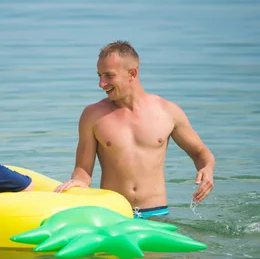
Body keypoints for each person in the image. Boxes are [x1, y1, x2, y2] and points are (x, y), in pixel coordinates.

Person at [54, 41, 215, 219]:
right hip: (115, 214)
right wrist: (78, 183)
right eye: (99, 75)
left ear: (132, 73)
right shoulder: (92, 115)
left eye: (108, 76)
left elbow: (200, 152)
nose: (101, 83)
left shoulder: (167, 111)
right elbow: (83, 169)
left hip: (157, 213)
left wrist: (207, 168)